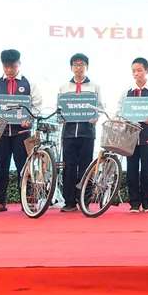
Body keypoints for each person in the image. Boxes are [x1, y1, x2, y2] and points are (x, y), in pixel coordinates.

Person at [0, 49, 43, 212]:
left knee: (25, 166)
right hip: (0, 132)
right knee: (1, 166)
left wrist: (29, 118)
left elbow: (37, 105)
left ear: (19, 64)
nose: (9, 70)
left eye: (13, 66)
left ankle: (27, 201)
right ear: (2, 65)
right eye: (6, 67)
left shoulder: (29, 83)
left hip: (22, 133)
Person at [58, 53, 103, 213]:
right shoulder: (64, 87)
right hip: (68, 133)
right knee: (69, 167)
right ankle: (69, 202)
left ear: (86, 67)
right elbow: (60, 108)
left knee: (86, 167)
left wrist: (95, 117)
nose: (79, 68)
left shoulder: (94, 87)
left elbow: (99, 107)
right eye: (76, 65)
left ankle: (84, 200)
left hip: (87, 132)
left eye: (82, 64)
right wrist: (61, 117)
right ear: (71, 67)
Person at [121, 57, 148, 213]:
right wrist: (125, 118)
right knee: (131, 170)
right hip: (130, 136)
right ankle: (134, 203)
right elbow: (120, 110)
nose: (136, 73)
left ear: (147, 71)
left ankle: (147, 203)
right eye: (134, 71)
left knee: (147, 169)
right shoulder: (127, 91)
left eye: (139, 70)